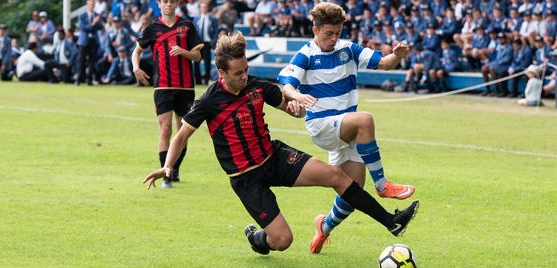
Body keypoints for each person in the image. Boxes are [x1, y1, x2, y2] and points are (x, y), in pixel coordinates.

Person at [143, 32, 420, 256]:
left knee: (337, 176)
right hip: (246, 178)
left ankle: (391, 222)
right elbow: (180, 136)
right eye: (238, 73)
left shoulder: (256, 86)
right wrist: (168, 167)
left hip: (273, 157)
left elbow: (287, 105)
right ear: (221, 72)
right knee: (283, 240)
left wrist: (296, 107)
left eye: (246, 70)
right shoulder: (209, 101)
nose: (244, 77)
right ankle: (258, 238)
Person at [276, 2, 416, 254]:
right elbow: (286, 84)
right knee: (365, 119)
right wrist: (296, 95)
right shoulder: (305, 55)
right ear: (315, 29)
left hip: (347, 131)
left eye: (337, 33)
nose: (333, 38)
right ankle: (383, 184)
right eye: (329, 33)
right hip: (322, 127)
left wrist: (398, 56)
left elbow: (384, 63)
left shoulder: (348, 49)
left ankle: (324, 227)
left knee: (352, 192)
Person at [132, 0, 203, 189]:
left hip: (186, 87)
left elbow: (198, 56)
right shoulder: (152, 27)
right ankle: (166, 173)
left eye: (172, 1)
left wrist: (184, 52)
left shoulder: (187, 26)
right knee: (165, 129)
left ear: (177, 3)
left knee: (183, 131)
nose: (168, 5)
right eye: (165, 1)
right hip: (162, 86)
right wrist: (136, 68)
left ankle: (174, 168)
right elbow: (136, 51)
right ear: (159, 3)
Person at [76, 0, 105, 86]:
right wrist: (93, 23)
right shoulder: (82, 15)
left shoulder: (97, 15)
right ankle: (78, 80)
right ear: (87, 5)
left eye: (93, 4)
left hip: (93, 41)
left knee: (92, 62)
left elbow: (101, 27)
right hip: (84, 41)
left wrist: (98, 22)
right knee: (81, 61)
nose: (92, 6)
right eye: (90, 4)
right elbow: (84, 28)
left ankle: (89, 80)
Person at [193, 1, 219, 85]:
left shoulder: (213, 19)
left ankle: (206, 80)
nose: (203, 9)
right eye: (202, 7)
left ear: (207, 8)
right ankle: (198, 81)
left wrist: (213, 42)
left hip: (207, 43)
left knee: (207, 62)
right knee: (197, 62)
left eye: (205, 7)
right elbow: (194, 31)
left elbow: (216, 32)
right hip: (198, 43)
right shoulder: (196, 19)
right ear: (200, 8)